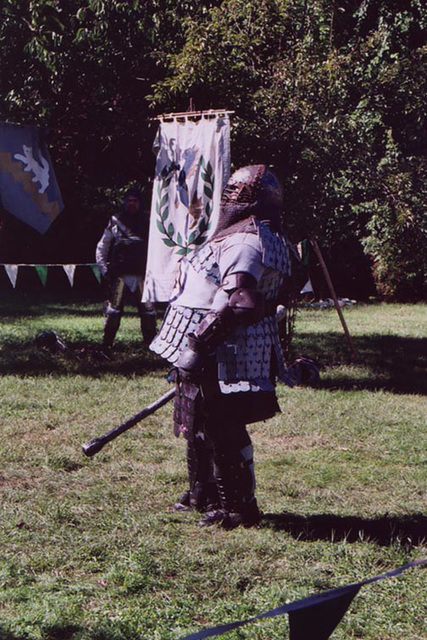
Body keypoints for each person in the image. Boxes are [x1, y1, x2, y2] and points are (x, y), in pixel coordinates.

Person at [150, 164, 293, 529]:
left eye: (234, 193)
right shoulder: (249, 236)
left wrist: (198, 346)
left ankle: (238, 508)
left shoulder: (246, 240)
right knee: (200, 420)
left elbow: (239, 301)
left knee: (224, 427)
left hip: (225, 350)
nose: (227, 198)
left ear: (247, 201)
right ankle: (204, 492)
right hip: (219, 348)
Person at [96, 187, 156, 351]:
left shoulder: (149, 221)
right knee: (113, 311)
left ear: (139, 202)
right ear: (124, 202)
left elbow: (157, 246)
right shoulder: (116, 220)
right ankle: (107, 344)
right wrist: (103, 268)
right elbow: (103, 245)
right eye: (129, 200)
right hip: (120, 274)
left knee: (148, 312)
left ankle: (150, 346)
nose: (131, 204)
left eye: (135, 201)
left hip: (143, 274)